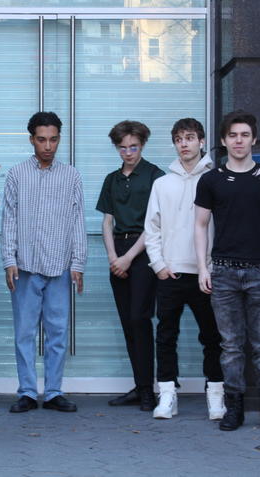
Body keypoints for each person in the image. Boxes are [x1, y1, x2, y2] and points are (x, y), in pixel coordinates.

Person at [193, 110, 260, 431]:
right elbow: (200, 225)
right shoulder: (211, 180)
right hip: (223, 272)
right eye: (233, 135)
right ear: (224, 140)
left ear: (254, 139)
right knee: (231, 346)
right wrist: (203, 267)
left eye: (244, 135)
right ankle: (234, 407)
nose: (238, 140)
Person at [1, 111, 87, 413]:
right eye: (41, 140)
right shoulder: (17, 174)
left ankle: (52, 392)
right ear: (31, 140)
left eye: (53, 139)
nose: (48, 146)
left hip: (60, 265)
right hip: (25, 265)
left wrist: (78, 263)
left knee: (58, 333)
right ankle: (26, 391)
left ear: (59, 139)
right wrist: (8, 259)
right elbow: (9, 219)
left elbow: (77, 220)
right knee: (24, 333)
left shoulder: (71, 176)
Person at [144, 118, 225, 420]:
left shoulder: (216, 179)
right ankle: (167, 395)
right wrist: (159, 265)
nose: (184, 144)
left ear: (202, 141)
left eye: (190, 138)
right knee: (166, 336)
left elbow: (224, 226)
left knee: (213, 337)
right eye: (179, 139)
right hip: (171, 272)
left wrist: (213, 267)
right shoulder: (162, 184)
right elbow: (152, 228)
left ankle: (215, 395)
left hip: (207, 274)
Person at [96, 120, 163, 412]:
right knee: (127, 323)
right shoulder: (111, 179)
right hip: (118, 251)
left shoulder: (155, 176)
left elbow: (155, 224)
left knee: (140, 319)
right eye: (122, 148)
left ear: (142, 145)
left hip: (144, 251)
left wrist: (128, 258)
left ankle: (148, 390)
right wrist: (113, 257)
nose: (128, 153)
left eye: (133, 147)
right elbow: (107, 221)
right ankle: (139, 386)